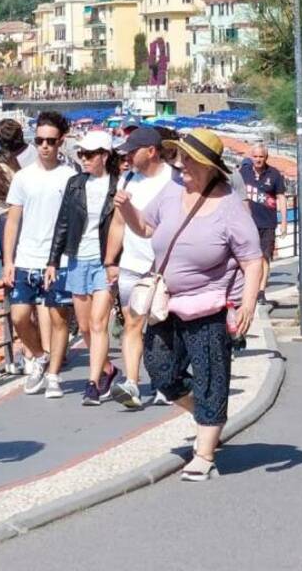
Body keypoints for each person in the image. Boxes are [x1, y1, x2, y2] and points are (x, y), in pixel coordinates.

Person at [114, 129, 262, 481]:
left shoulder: (229, 208)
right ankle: (205, 415)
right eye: (180, 159)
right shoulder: (172, 191)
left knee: (211, 375)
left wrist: (248, 306)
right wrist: (127, 210)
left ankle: (205, 452)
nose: (182, 167)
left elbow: (253, 259)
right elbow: (146, 229)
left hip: (209, 307)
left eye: (189, 161)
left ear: (210, 167)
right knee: (162, 371)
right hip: (167, 303)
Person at [2, 111, 77, 398]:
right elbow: (13, 220)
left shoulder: (70, 177)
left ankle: (54, 375)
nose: (45, 146)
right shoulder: (22, 178)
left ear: (61, 142)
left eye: (51, 141)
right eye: (40, 140)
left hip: (58, 261)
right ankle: (38, 356)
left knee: (58, 319)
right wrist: (8, 261)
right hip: (25, 258)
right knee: (20, 316)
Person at [48, 130, 121, 405]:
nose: (84, 159)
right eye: (81, 154)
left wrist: (118, 261)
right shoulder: (75, 184)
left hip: (105, 261)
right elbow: (63, 223)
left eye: (89, 154)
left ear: (104, 155)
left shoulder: (119, 185)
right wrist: (53, 261)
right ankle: (107, 370)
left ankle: (93, 384)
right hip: (78, 258)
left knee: (99, 322)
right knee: (87, 328)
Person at [104, 127, 174, 409]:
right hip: (131, 264)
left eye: (133, 151)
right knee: (132, 323)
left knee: (162, 325)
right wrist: (111, 260)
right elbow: (119, 223)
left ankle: (164, 382)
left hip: (162, 267)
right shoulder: (128, 178)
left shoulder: (175, 180)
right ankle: (132, 384)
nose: (128, 156)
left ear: (151, 151)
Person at [239, 143, 287, 305]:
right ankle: (247, 289)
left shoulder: (274, 174)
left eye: (261, 156)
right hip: (247, 223)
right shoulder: (243, 172)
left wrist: (284, 221)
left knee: (264, 258)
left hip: (268, 223)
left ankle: (261, 291)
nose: (258, 159)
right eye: (256, 156)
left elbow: (281, 197)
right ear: (251, 157)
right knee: (247, 257)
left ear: (266, 157)